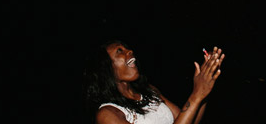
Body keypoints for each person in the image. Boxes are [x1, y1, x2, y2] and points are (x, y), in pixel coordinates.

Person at [84, 39, 224, 124]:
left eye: (126, 47)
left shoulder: (150, 90)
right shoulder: (107, 114)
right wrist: (197, 94)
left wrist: (205, 87)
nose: (130, 51)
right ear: (106, 69)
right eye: (119, 51)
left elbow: (189, 120)